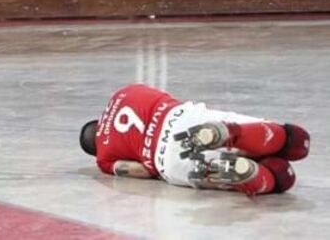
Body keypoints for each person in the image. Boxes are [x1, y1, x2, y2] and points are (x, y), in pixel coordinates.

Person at [79, 83, 308, 194]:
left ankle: (247, 173)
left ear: (94, 146)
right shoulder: (125, 92)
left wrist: (154, 166)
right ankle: (231, 134)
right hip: (184, 119)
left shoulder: (103, 158)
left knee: (280, 179)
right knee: (294, 139)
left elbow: (139, 171)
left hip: (166, 159)